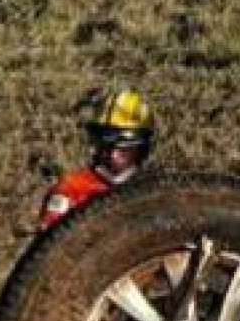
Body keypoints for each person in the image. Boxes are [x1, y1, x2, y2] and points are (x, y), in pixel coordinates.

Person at [40, 85, 156, 229]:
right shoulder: (72, 189)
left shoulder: (155, 191)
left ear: (141, 149)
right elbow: (51, 246)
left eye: (124, 148)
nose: (113, 154)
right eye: (107, 146)